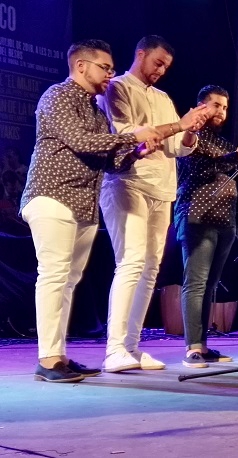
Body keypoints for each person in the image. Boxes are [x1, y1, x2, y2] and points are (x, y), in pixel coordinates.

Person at [20, 39, 161, 382]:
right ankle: (48, 359)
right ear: (81, 66)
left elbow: (108, 162)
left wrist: (136, 152)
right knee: (54, 276)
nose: (111, 75)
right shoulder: (57, 95)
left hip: (83, 204)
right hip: (52, 195)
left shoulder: (97, 112)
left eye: (113, 69)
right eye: (105, 68)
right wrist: (133, 136)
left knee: (68, 281)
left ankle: (58, 356)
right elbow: (81, 141)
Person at [97, 35, 209, 373]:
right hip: (127, 182)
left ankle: (131, 347)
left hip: (162, 188)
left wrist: (191, 130)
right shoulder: (117, 87)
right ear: (141, 53)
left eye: (166, 67)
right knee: (130, 262)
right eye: (157, 62)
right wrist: (179, 124)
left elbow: (177, 147)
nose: (161, 70)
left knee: (150, 270)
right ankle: (114, 348)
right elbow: (127, 133)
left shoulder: (162, 97)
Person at [174, 85, 238, 368]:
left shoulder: (225, 143)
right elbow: (200, 170)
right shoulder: (191, 137)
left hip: (225, 221)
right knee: (196, 283)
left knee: (210, 286)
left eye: (225, 107)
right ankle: (192, 348)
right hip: (197, 217)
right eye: (217, 105)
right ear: (201, 106)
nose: (222, 111)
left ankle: (203, 345)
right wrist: (235, 157)